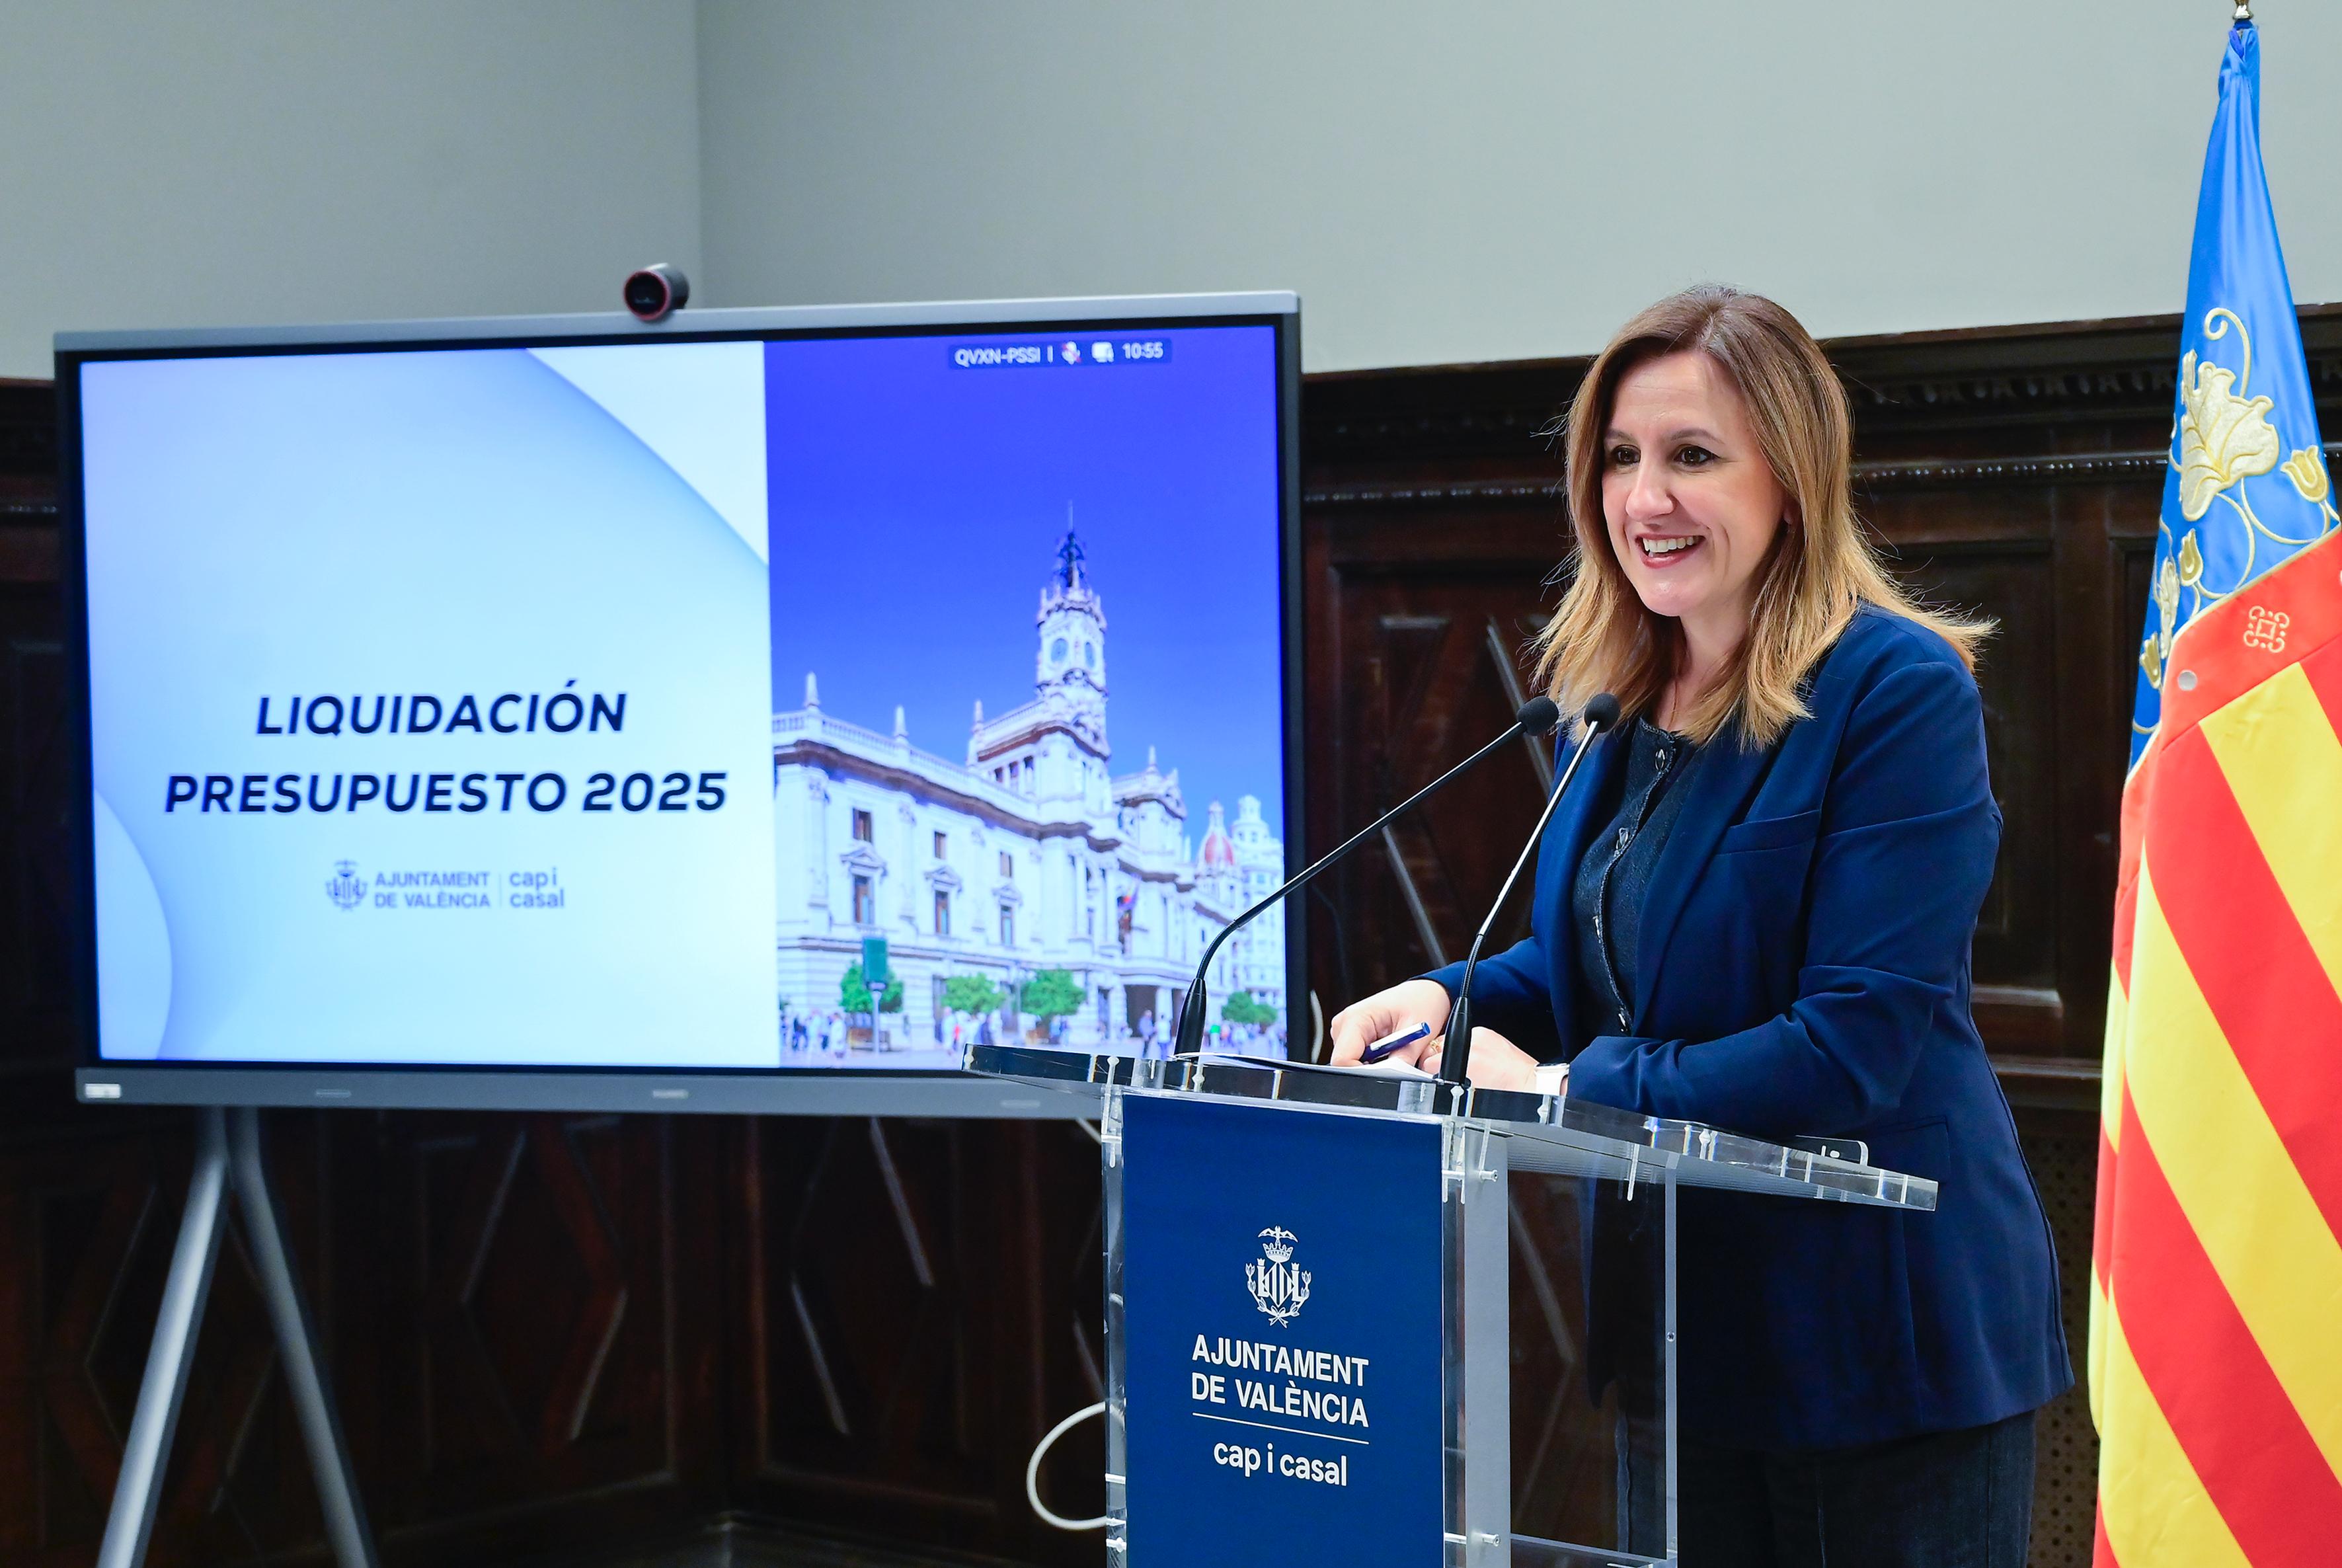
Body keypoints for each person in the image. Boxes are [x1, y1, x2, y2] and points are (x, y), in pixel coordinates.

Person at [1329, 287, 2069, 1566]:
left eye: (1692, 456)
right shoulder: (1614, 703)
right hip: (1684, 1330)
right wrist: (1453, 1001)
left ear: (1791, 474)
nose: (1645, 498)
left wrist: (1557, 1087)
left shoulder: (1895, 692)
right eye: (1620, 459)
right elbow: (1604, 970)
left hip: (1877, 1342)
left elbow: (1851, 1044)